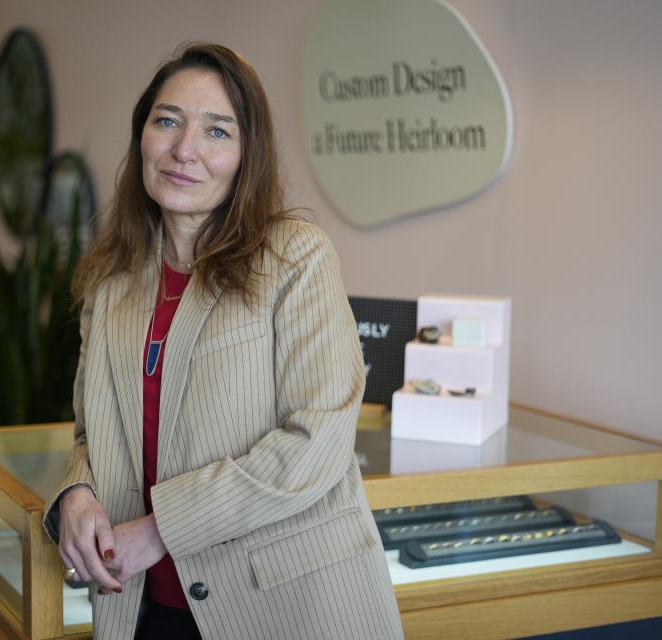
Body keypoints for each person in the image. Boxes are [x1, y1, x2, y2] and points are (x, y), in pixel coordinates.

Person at [43, 43, 403, 640]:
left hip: (286, 608)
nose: (185, 150)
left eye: (216, 131)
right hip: (143, 609)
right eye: (167, 122)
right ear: (141, 139)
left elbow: (316, 443)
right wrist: (76, 492)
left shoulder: (294, 257)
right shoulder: (111, 284)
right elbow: (94, 432)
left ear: (246, 155)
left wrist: (158, 531)